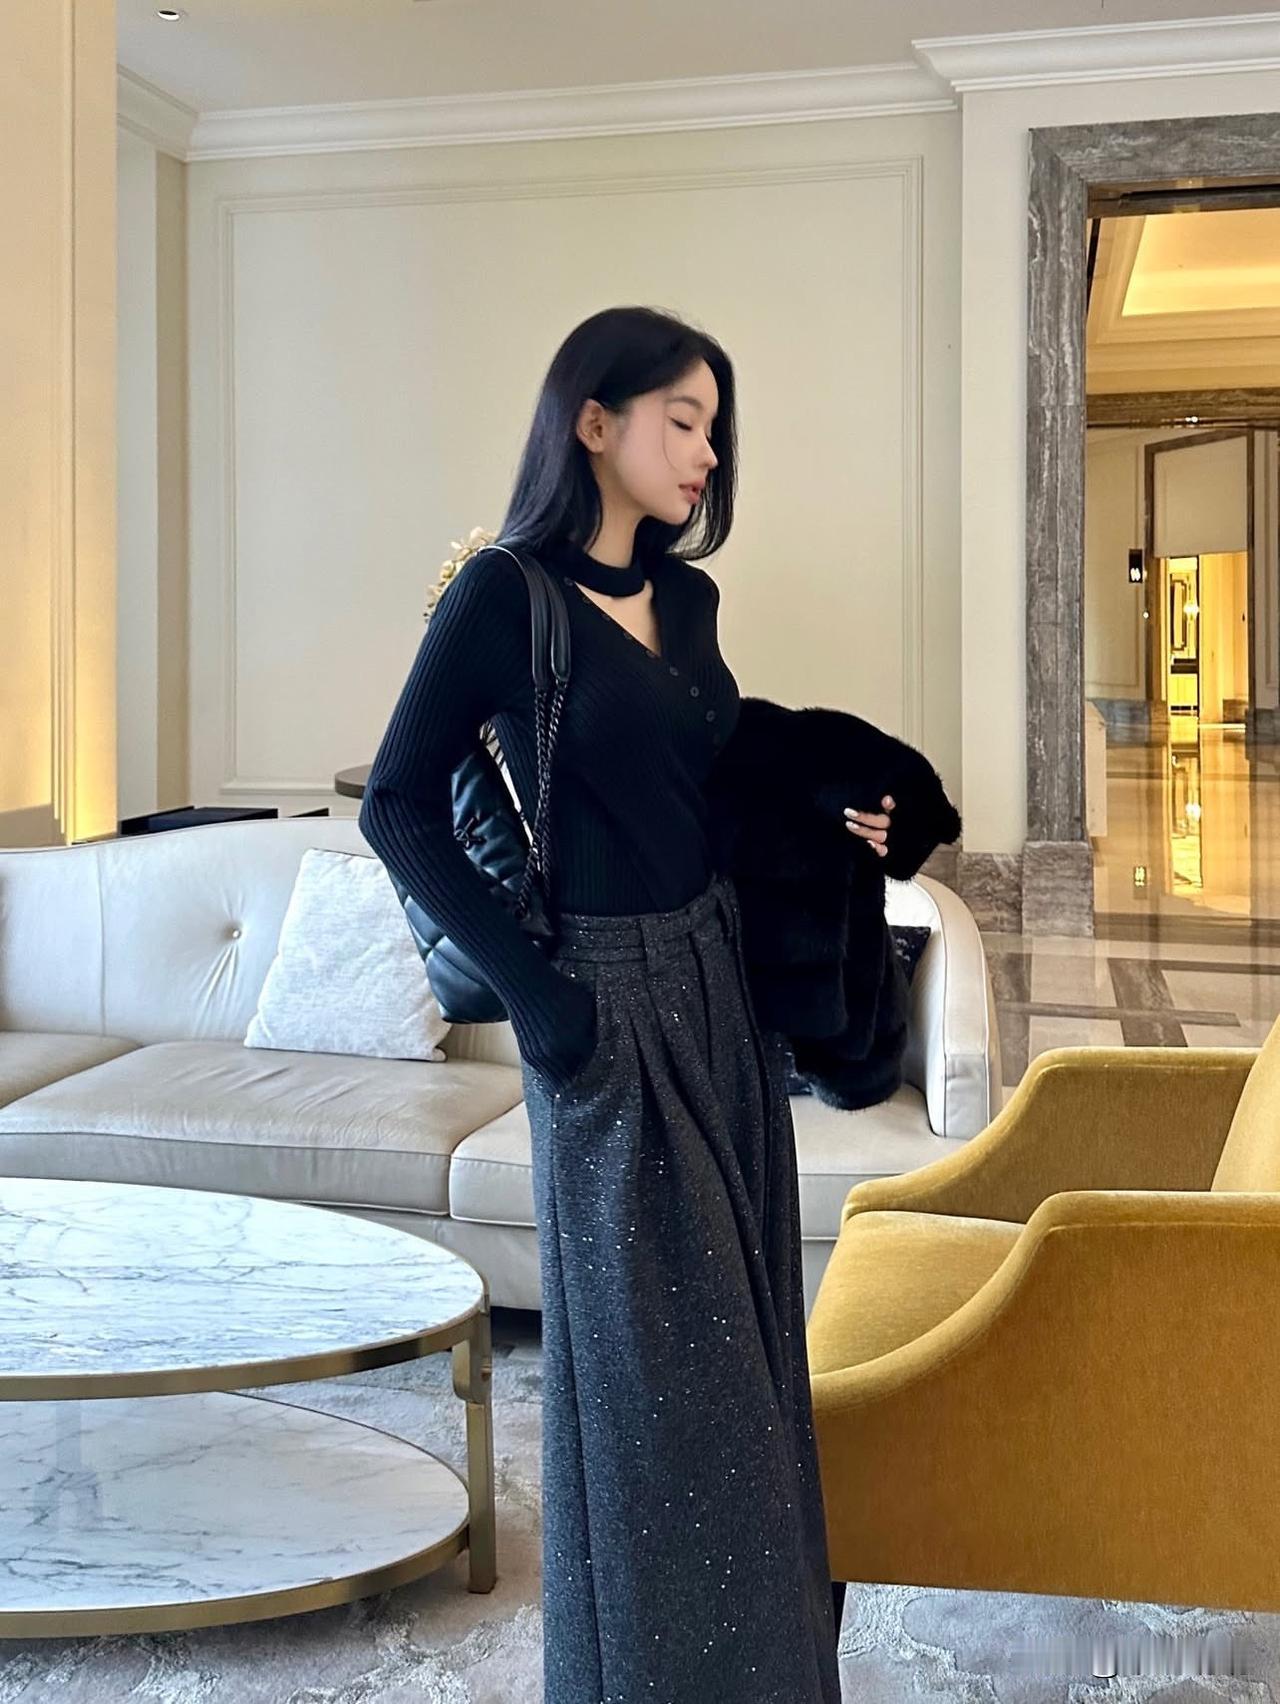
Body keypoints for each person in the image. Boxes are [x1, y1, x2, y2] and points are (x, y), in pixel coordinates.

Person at [358, 305, 894, 1703]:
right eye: (683, 420)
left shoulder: (689, 603)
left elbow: (708, 788)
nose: (708, 452)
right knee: (659, 1398)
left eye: (716, 427)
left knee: (753, 1363)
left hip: (721, 992)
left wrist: (831, 813)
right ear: (593, 422)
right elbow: (398, 804)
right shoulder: (504, 595)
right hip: (600, 1013)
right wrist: (544, 1006)